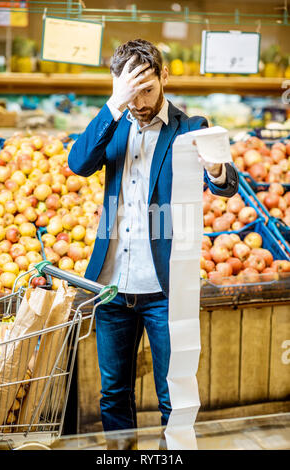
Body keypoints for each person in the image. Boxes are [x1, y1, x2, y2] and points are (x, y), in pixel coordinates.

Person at [68, 39, 239, 449]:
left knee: (173, 398)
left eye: (147, 89)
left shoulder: (191, 127)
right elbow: (78, 163)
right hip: (111, 287)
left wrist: (215, 169)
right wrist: (115, 102)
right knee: (113, 396)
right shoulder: (113, 124)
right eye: (131, 91)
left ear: (164, 77)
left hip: (164, 290)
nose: (140, 102)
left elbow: (228, 185)